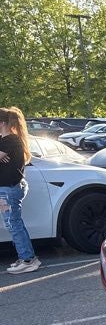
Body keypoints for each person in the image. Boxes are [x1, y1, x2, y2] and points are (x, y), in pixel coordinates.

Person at [0, 106, 40, 274]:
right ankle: (27, 257)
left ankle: (28, 260)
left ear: (2, 123)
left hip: (8, 190)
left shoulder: (10, 141)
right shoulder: (6, 140)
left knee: (13, 224)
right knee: (14, 224)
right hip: (8, 188)